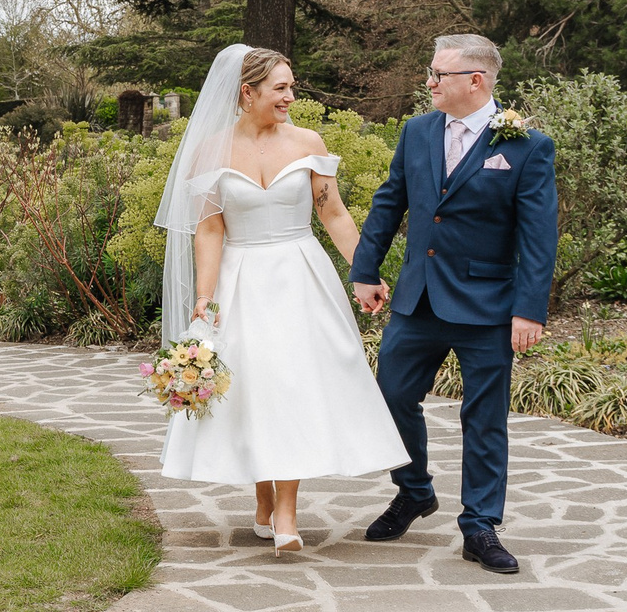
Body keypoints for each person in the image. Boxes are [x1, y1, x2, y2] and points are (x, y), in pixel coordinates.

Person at [156, 44, 409, 552]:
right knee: (254, 389)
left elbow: (332, 213)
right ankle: (263, 496)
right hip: (240, 280)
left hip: (300, 277)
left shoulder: (306, 142)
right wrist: (204, 298)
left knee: (293, 385)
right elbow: (210, 230)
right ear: (247, 93)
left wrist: (364, 272)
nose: (291, 96)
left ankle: (287, 511)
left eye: (291, 86)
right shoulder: (210, 151)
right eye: (280, 88)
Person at [348, 34, 558, 575]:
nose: (430, 82)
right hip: (417, 298)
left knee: (484, 418)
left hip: (488, 305)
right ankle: (414, 490)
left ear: (477, 80)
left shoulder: (527, 145)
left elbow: (539, 236)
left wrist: (529, 309)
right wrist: (365, 270)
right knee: (390, 399)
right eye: (431, 71)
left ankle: (480, 525)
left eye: (439, 74)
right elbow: (390, 200)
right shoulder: (417, 131)